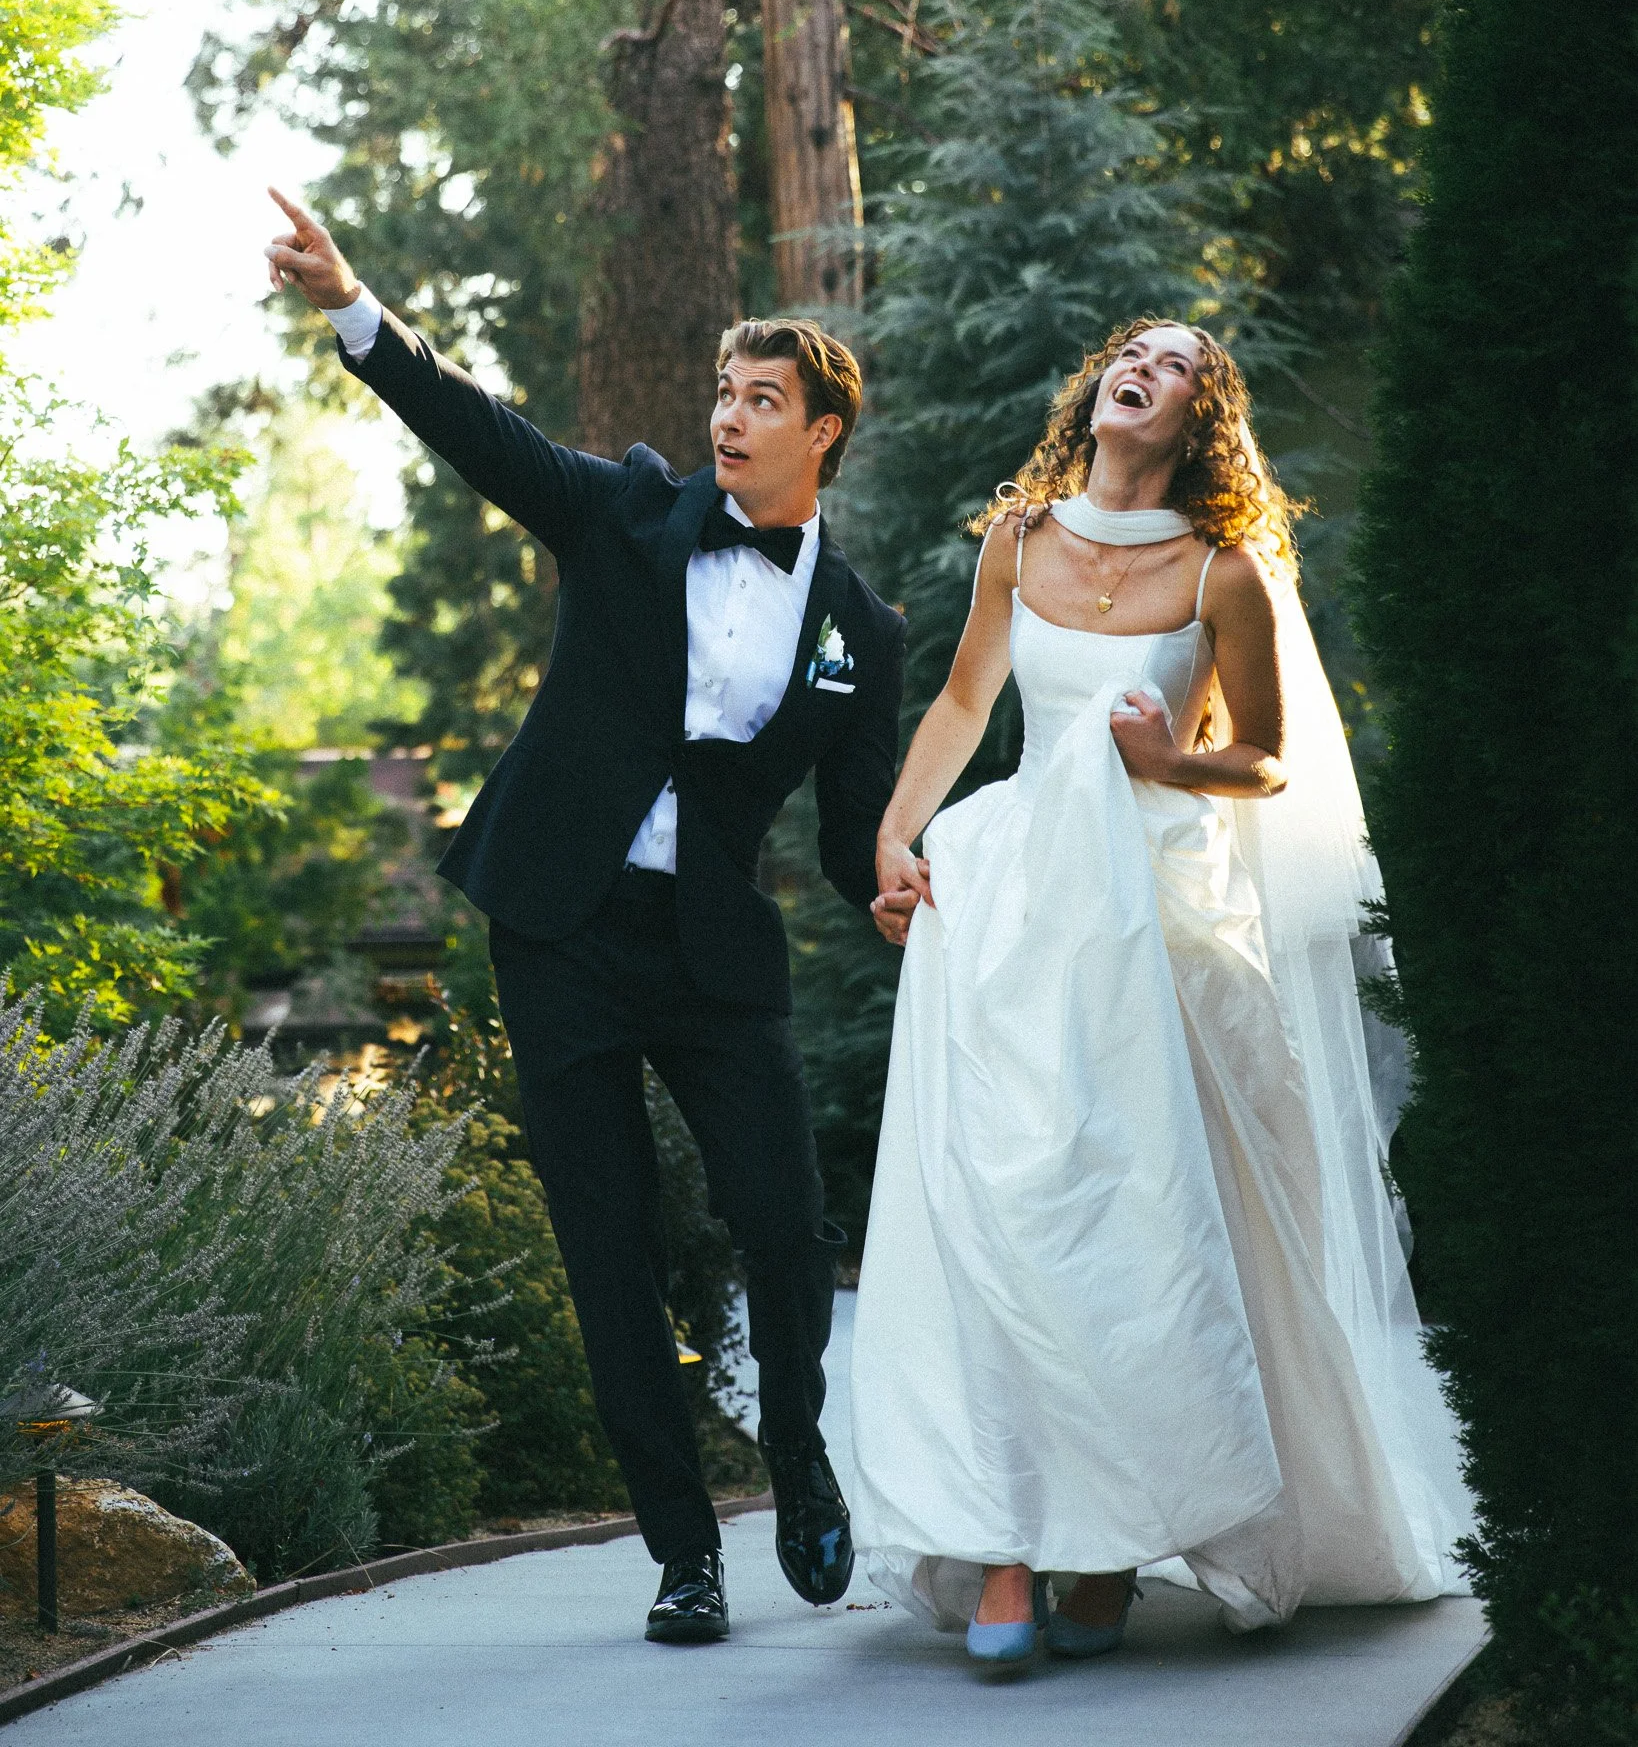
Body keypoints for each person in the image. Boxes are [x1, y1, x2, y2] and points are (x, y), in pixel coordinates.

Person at [262, 188, 907, 1644]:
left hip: (711, 953)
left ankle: (798, 1455)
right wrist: (357, 311)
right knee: (606, 1247)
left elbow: (862, 819)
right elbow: (476, 427)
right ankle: (683, 1555)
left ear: (823, 436)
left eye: (762, 400)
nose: (729, 419)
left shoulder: (859, 633)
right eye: (722, 395)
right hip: (555, 925)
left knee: (785, 1228)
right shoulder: (622, 514)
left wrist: (899, 880)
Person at [850, 319, 1470, 1666]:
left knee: (1131, 1233)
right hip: (1017, 906)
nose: (1147, 361)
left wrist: (1165, 764)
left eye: (1179, 360)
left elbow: (1260, 759)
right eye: (1133, 348)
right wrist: (897, 839)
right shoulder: (1015, 538)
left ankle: (1108, 1543)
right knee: (1003, 1213)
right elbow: (965, 703)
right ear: (1099, 389)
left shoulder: (1222, 569)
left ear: (1199, 416)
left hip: (1162, 920)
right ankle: (1010, 1541)